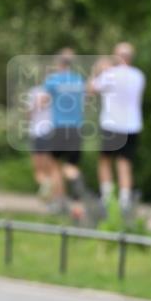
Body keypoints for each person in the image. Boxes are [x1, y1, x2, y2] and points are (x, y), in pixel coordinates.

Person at [89, 42, 146, 217]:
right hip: (132, 125)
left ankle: (106, 196)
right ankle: (124, 198)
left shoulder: (109, 74)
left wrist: (97, 71)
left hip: (112, 124)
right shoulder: (139, 75)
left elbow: (91, 89)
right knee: (125, 162)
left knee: (105, 161)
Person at [43, 48, 87, 214]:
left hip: (59, 127)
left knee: (54, 165)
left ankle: (59, 201)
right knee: (71, 165)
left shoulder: (53, 81)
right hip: (76, 128)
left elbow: (43, 100)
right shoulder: (78, 81)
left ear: (58, 63)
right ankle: (76, 188)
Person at [26, 84, 55, 201]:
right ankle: (50, 193)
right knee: (52, 168)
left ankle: (46, 186)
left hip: (38, 132)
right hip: (52, 132)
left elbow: (28, 114)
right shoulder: (57, 91)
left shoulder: (34, 91)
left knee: (39, 170)